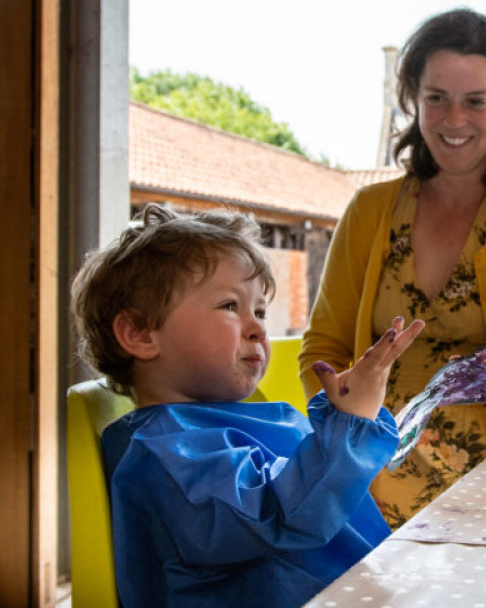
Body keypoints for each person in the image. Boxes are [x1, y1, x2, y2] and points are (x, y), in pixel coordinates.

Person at [299, 7, 486, 528]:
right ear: (413, 97)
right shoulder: (368, 211)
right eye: (436, 99)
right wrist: (345, 431)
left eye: (476, 102)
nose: (454, 120)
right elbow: (322, 349)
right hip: (359, 489)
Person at [70, 203, 423, 608]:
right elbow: (280, 516)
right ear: (140, 333)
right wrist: (349, 422)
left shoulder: (219, 422)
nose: (258, 329)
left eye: (259, 310)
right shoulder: (166, 453)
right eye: (229, 306)